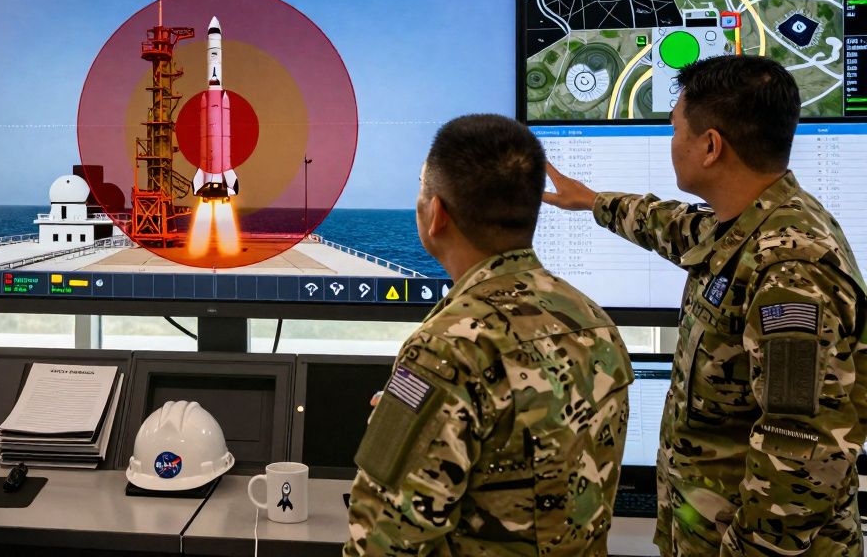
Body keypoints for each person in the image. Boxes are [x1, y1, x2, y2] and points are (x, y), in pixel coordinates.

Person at [544, 54, 867, 556]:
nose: (671, 144)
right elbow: (672, 226)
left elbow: (802, 449)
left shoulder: (790, 271)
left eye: (675, 129)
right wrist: (592, 201)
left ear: (711, 147)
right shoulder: (746, 223)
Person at [344, 114, 632, 556]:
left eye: (421, 189)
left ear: (436, 214)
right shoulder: (595, 322)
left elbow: (382, 543)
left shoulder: (445, 351)